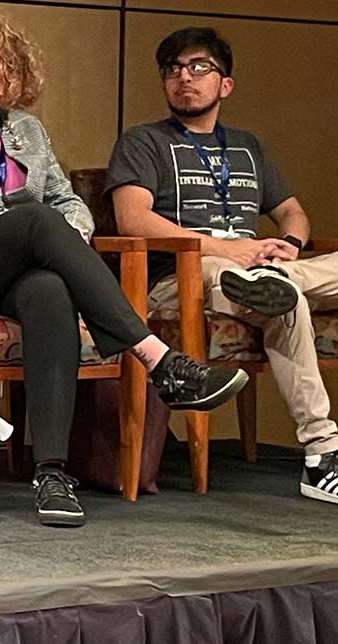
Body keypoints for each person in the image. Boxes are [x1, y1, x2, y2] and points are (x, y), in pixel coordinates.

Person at [0, 14, 248, 527]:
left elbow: (68, 202)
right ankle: (159, 360)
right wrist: (32, 234)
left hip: (12, 275)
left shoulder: (26, 130)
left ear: (6, 76)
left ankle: (51, 473)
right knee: (35, 222)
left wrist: (65, 234)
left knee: (50, 288)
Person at [108, 26, 338, 506]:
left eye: (198, 68)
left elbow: (292, 211)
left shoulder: (248, 147)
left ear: (225, 84)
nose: (183, 78)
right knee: (264, 289)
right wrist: (219, 247)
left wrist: (290, 244)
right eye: (173, 70)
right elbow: (133, 219)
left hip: (256, 267)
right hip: (181, 276)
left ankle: (271, 280)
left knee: (276, 285)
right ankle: (323, 453)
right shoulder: (143, 141)